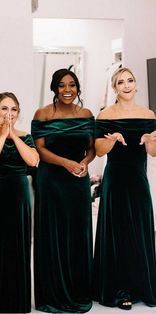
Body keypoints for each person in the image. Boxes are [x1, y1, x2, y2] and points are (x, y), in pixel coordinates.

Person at [31, 68, 95, 313]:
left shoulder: (87, 114)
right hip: (51, 180)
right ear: (54, 88)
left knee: (78, 235)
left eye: (72, 85)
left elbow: (91, 149)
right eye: (62, 85)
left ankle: (78, 290)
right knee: (53, 234)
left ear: (78, 88)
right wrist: (66, 163)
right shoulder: (43, 114)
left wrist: (84, 163)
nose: (67, 90)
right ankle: (53, 294)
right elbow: (40, 150)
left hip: (78, 180)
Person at [92, 67, 156, 310]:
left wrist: (150, 142)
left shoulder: (148, 114)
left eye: (130, 80)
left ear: (136, 84)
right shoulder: (106, 115)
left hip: (138, 180)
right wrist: (110, 140)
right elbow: (98, 151)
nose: (126, 85)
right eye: (121, 82)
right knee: (117, 233)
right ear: (114, 87)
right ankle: (119, 289)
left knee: (139, 231)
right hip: (116, 180)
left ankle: (141, 285)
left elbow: (153, 153)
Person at [0, 92, 39, 313]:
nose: (9, 114)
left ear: (18, 113)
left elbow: (33, 160)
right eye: (4, 109)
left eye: (13, 109)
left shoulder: (26, 136)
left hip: (18, 195)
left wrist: (14, 136)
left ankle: (16, 302)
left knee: (16, 244)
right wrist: (3, 136)